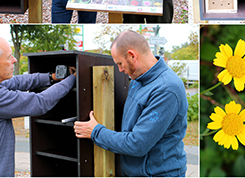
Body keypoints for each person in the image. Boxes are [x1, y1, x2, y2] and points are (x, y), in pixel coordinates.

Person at [0, 34, 76, 177]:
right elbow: (40, 102)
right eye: (9, 57)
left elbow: (16, 82)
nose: (14, 60)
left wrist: (51, 77)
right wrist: (73, 79)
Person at [74, 30, 188, 177]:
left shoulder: (166, 89)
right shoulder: (137, 79)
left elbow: (138, 144)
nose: (120, 69)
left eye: (120, 63)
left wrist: (95, 131)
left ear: (132, 55)